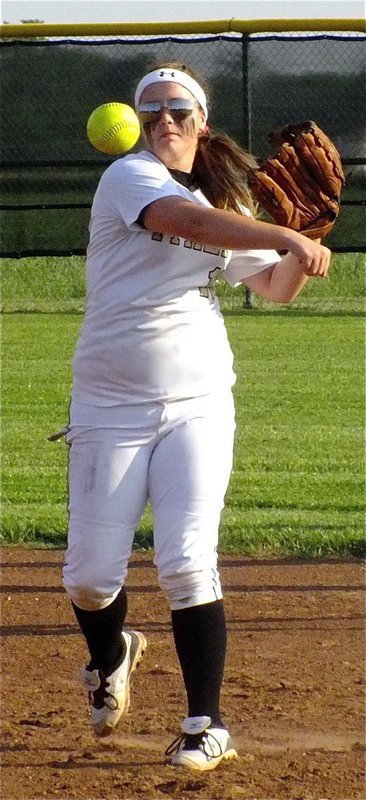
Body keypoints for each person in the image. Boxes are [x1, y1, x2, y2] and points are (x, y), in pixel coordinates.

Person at [61, 62, 331, 772]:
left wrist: (302, 241)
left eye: (181, 108)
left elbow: (274, 288)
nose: (167, 119)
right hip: (108, 406)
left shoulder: (225, 202)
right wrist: (276, 228)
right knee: (89, 580)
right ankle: (113, 649)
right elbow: (179, 221)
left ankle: (206, 723)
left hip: (199, 403)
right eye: (153, 109)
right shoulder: (129, 179)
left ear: (202, 121)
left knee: (186, 561)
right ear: (137, 123)